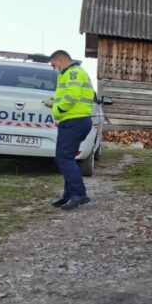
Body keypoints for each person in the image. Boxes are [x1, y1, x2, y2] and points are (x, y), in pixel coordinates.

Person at [47, 50, 96, 210]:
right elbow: (71, 95)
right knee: (65, 157)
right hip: (76, 119)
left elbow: (72, 96)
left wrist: (58, 109)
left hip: (74, 119)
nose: (54, 69)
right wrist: (54, 102)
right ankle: (69, 195)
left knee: (64, 158)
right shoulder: (74, 73)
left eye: (54, 65)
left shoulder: (73, 73)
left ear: (61, 61)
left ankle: (78, 194)